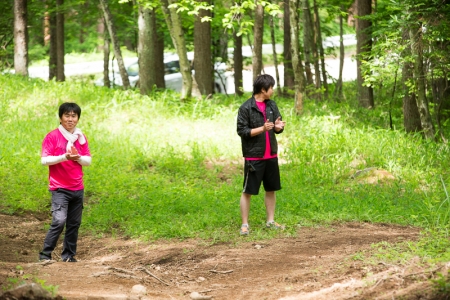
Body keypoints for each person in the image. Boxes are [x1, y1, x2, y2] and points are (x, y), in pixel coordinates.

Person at [39, 102, 92, 262]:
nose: (70, 119)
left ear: (78, 118)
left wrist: (77, 157)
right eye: (67, 115)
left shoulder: (80, 138)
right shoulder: (52, 137)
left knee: (74, 224)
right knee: (59, 221)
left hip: (78, 187)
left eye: (73, 116)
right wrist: (65, 157)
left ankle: (68, 256)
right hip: (59, 188)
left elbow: (88, 161)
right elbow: (44, 160)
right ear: (60, 118)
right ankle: (45, 255)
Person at [236, 74, 286, 236]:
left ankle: (270, 221)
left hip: (271, 154)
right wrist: (262, 129)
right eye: (270, 88)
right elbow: (242, 131)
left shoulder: (271, 105)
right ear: (263, 90)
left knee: (271, 189)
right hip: (253, 157)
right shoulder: (246, 108)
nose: (272, 90)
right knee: (248, 191)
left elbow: (277, 127)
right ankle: (244, 224)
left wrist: (278, 127)